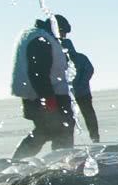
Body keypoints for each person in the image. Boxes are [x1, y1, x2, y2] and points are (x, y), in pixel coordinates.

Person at [11, 16, 75, 159]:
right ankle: (62, 160)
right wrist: (48, 98)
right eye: (63, 33)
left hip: (40, 94)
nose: (63, 37)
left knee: (46, 130)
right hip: (47, 95)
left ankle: (19, 159)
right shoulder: (41, 40)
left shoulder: (36, 36)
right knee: (61, 129)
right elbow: (38, 72)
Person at [56, 16, 101, 144]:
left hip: (71, 93)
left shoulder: (61, 59)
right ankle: (94, 137)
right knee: (88, 115)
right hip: (81, 92)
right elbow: (90, 70)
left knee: (70, 117)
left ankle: (68, 141)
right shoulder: (80, 57)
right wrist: (83, 83)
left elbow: (89, 70)